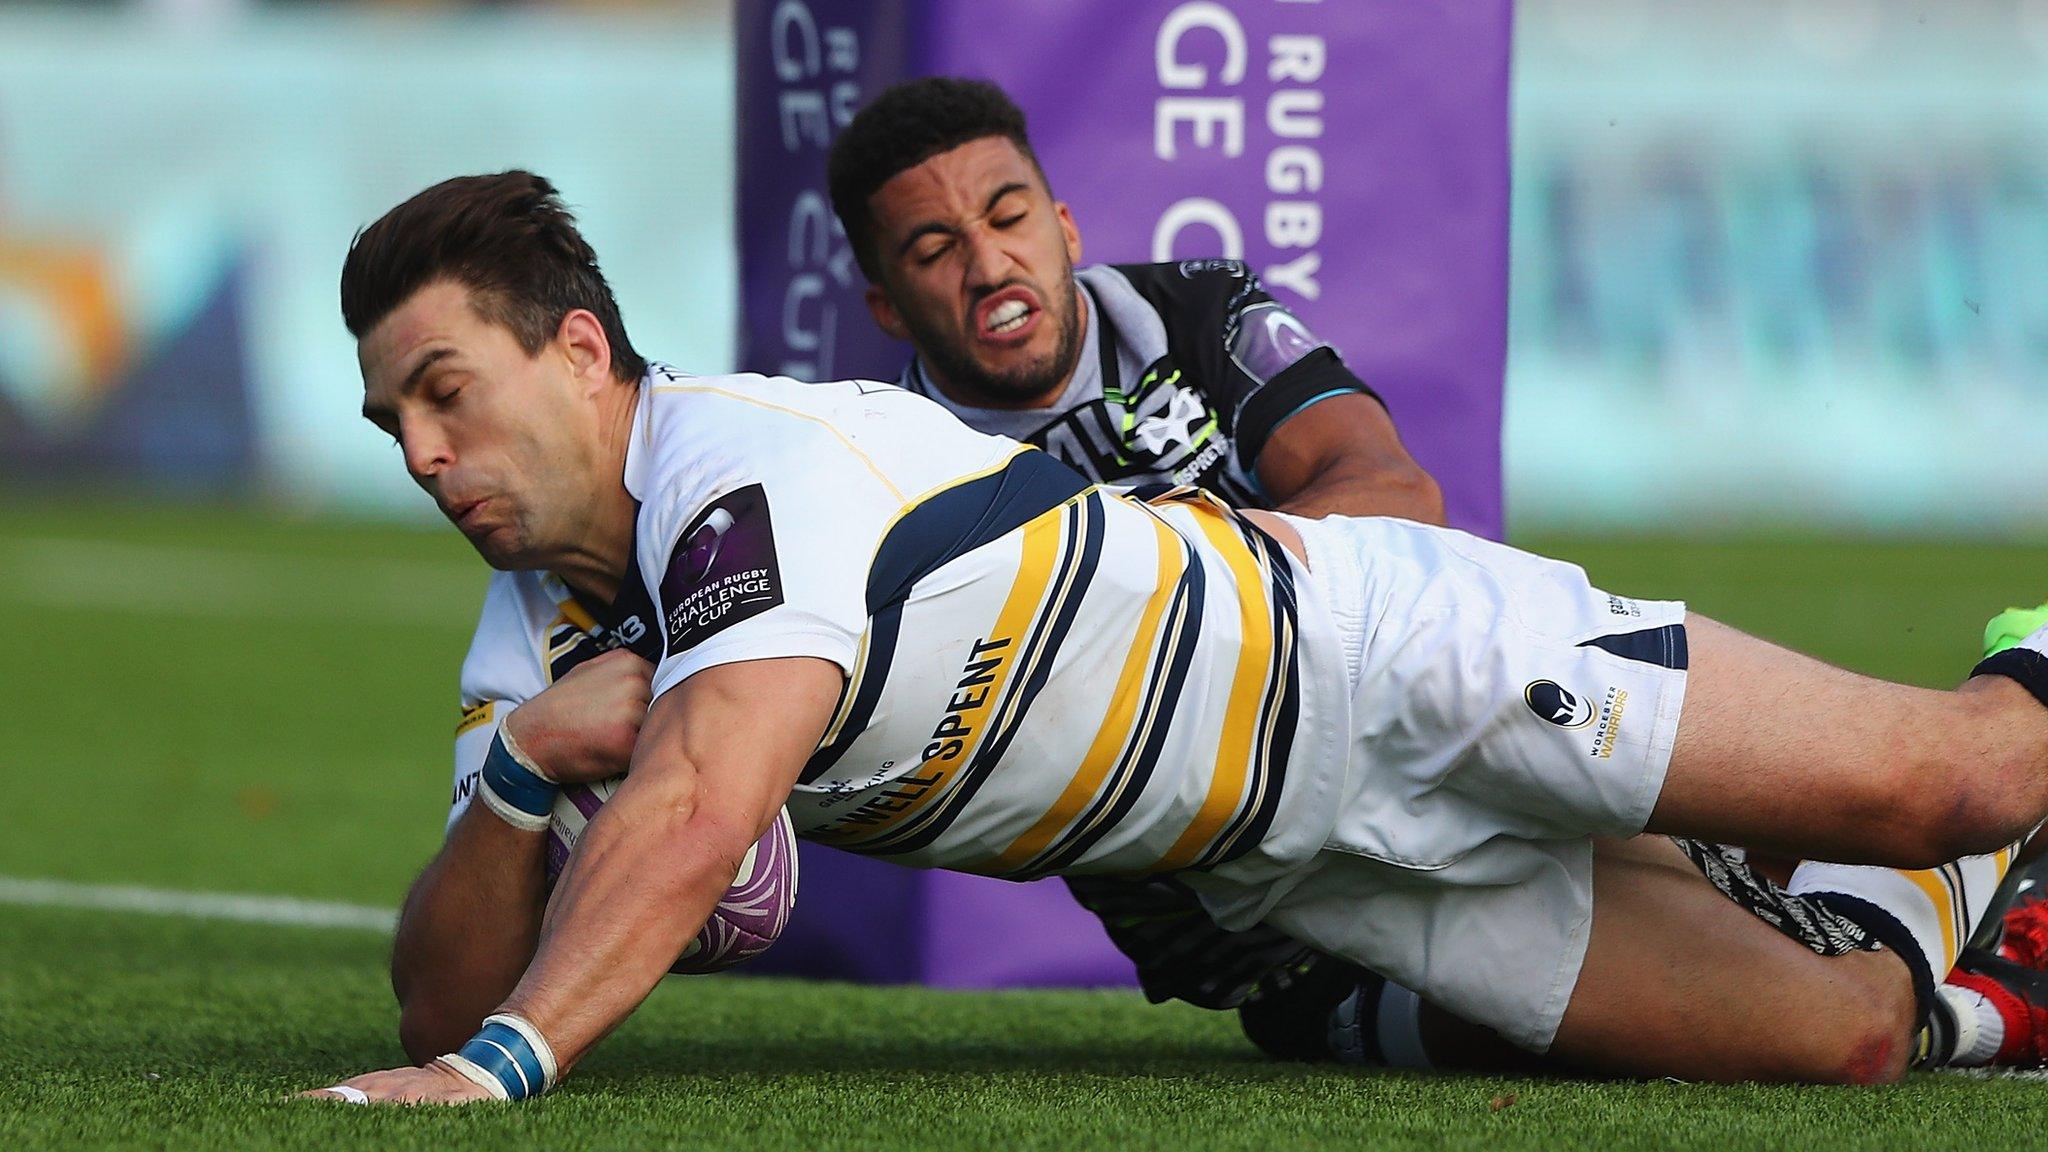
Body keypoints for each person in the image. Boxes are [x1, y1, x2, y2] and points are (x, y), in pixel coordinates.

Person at [311, 171, 2048, 1105]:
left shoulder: (742, 465)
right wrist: (523, 776)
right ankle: (1999, 927)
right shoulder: (531, 640)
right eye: (397, 423)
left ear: (586, 352)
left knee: (1953, 777)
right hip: (1295, 867)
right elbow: (442, 975)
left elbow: (697, 804)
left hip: (1381, 661)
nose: (429, 455)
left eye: (449, 392)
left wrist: (500, 1068)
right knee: (1840, 1039)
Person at [824, 75, 1453, 1063]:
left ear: (1064, 227)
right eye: (934, 250)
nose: (988, 267)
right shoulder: (886, 476)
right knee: (1589, 1016)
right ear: (887, 308)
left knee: (1694, 830)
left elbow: (1394, 494)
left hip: (1415, 760)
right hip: (1276, 934)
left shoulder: (1197, 310)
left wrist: (1155, 567)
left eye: (1007, 216)